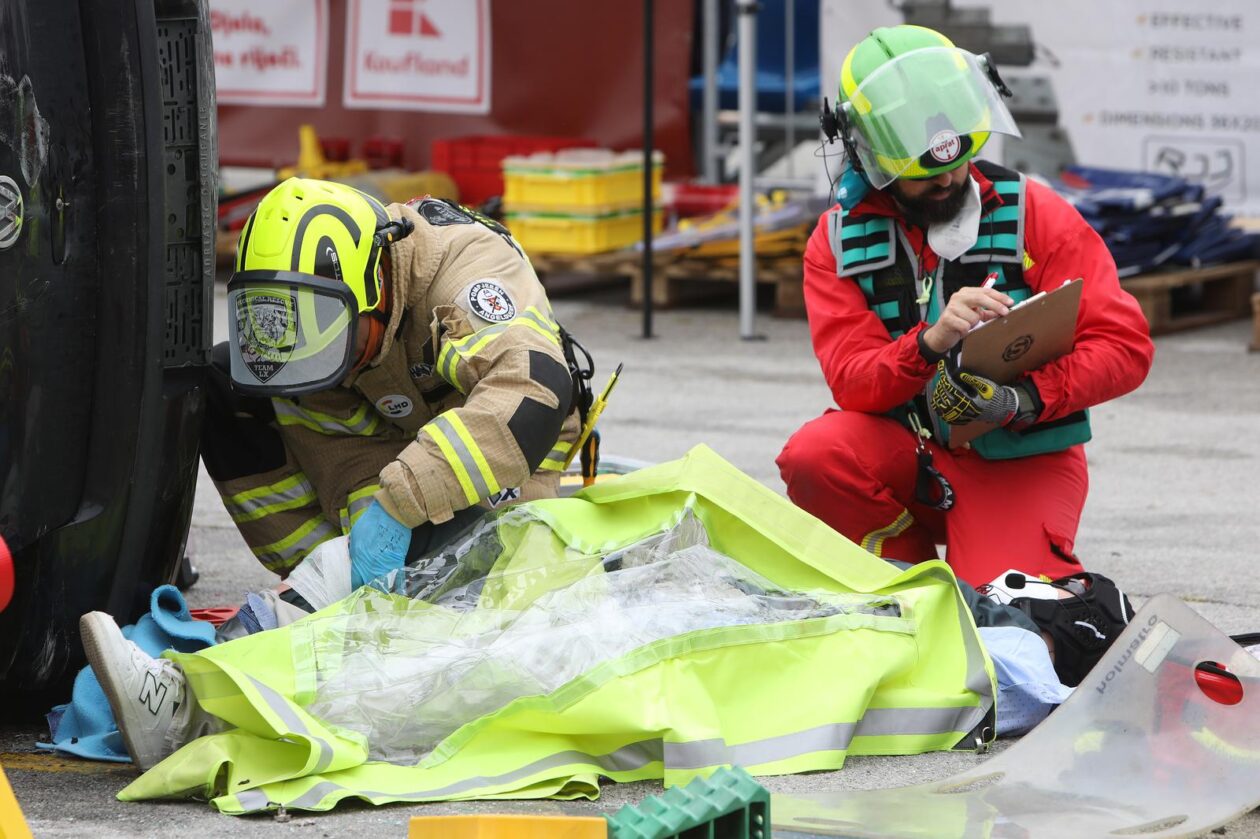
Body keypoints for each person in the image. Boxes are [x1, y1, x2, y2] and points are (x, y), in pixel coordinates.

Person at [776, 25, 1154, 588]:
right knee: (817, 454)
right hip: (907, 453)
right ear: (871, 155)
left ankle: (985, 571)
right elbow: (853, 383)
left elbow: (1124, 347)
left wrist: (1023, 397)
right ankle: (906, 581)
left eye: (959, 160)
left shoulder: (1035, 214)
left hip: (1020, 456)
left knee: (1005, 623)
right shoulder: (833, 243)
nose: (951, 179)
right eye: (924, 174)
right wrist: (928, 343)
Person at [199, 177, 590, 624]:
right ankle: (315, 605)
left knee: (491, 597)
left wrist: (400, 503)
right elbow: (344, 457)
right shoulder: (326, 327)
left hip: (506, 452)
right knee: (224, 381)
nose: (315, 359)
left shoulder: (463, 274)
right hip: (391, 436)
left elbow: (531, 392)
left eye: (329, 342)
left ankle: (308, 612)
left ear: (376, 285)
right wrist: (348, 559)